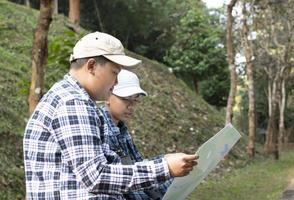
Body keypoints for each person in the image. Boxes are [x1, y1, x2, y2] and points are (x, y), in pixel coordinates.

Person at [23, 31, 198, 200]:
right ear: (91, 66)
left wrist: (163, 165)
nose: (116, 83)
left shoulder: (73, 99)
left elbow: (113, 167)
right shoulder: (73, 103)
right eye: (114, 73)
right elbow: (96, 177)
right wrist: (164, 168)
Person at [101, 69, 172, 199]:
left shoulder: (121, 129)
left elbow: (136, 164)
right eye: (126, 99)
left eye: (135, 100)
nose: (131, 106)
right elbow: (122, 178)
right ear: (107, 96)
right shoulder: (102, 129)